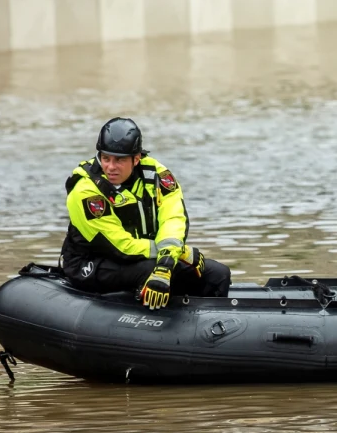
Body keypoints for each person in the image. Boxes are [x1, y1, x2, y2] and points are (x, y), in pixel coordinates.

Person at [60, 118, 230, 309]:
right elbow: (119, 246)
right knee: (152, 271)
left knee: (217, 273)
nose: (110, 167)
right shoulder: (85, 190)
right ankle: (150, 327)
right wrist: (177, 253)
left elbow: (173, 218)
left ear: (136, 158)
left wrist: (167, 258)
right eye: (106, 158)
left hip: (145, 256)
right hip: (93, 262)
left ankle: (204, 326)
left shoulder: (158, 175)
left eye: (119, 160)